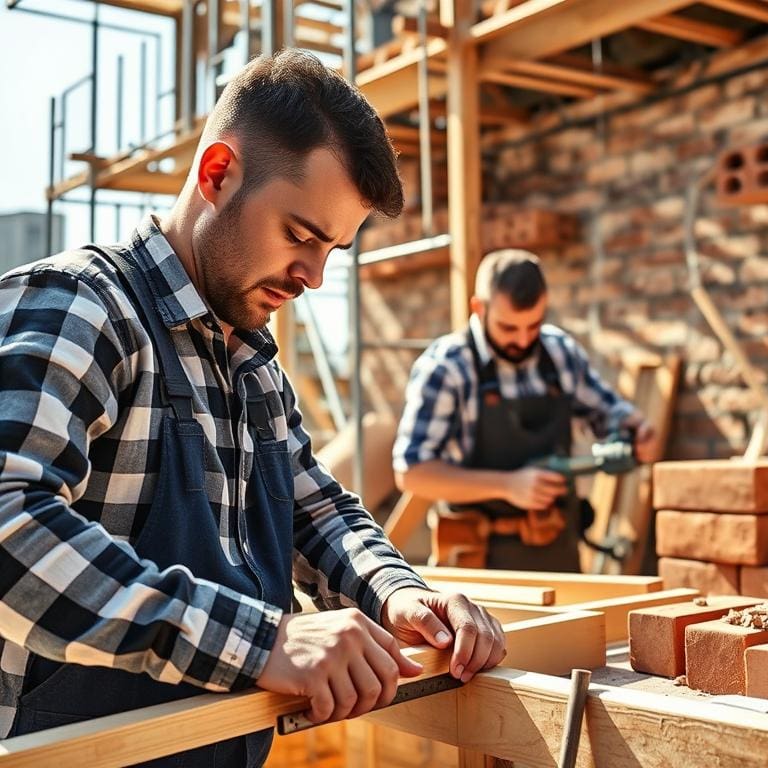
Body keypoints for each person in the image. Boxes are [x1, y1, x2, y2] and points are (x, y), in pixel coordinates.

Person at [0, 50, 504, 766]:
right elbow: (7, 523)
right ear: (216, 174)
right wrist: (263, 642)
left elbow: (314, 510)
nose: (314, 276)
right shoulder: (80, 309)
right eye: (300, 234)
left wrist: (397, 593)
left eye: (333, 248)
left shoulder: (252, 364)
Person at [393, 249, 656, 572]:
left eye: (533, 325)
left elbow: (609, 413)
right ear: (479, 307)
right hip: (477, 561)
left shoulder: (560, 352)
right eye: (508, 328)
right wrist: (507, 485)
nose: (522, 340)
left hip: (559, 553)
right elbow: (412, 473)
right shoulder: (447, 367)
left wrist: (636, 428)